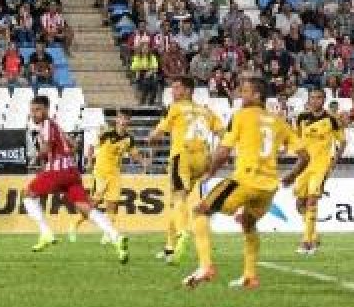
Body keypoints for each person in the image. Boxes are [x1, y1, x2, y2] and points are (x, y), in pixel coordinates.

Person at [185, 77, 309, 290]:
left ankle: (205, 266)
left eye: (245, 91)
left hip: (244, 181)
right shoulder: (279, 121)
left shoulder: (241, 115)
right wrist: (291, 176)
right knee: (248, 224)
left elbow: (223, 151)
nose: (241, 95)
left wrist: (210, 173)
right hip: (268, 188)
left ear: (257, 95)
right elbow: (305, 156)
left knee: (199, 212)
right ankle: (250, 276)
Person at [24, 95, 129, 263]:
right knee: (85, 207)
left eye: (37, 110)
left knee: (28, 193)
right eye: (32, 110)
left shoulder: (46, 125)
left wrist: (37, 156)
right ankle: (116, 237)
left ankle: (46, 233)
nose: (33, 114)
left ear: (46, 110)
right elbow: (74, 145)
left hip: (58, 171)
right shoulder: (55, 126)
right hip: (72, 172)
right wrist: (61, 152)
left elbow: (46, 149)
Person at [148, 77, 223, 264]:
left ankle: (183, 233)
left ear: (188, 91)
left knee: (178, 199)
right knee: (176, 204)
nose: (173, 92)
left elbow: (156, 135)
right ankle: (169, 247)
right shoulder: (206, 111)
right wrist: (214, 157)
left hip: (182, 156)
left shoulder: (176, 108)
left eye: (177, 88)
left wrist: (152, 137)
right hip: (203, 159)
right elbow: (223, 135)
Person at [76, 110, 145, 244]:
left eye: (126, 119)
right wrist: (89, 162)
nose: (124, 121)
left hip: (115, 175)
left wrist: (143, 163)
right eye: (122, 118)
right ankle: (76, 224)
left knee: (112, 204)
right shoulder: (106, 133)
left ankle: (108, 233)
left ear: (129, 122)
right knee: (94, 203)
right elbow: (91, 146)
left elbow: (134, 154)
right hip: (100, 172)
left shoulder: (129, 139)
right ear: (117, 119)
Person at [293, 88, 346, 255]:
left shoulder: (331, 119)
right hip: (304, 167)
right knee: (299, 204)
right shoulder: (301, 117)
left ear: (324, 100)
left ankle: (306, 241)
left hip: (321, 166)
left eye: (318, 98)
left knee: (312, 200)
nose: (315, 100)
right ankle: (314, 236)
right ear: (308, 100)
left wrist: (334, 161)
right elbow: (297, 139)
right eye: (312, 98)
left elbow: (342, 141)